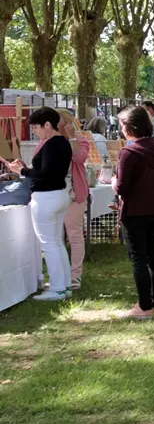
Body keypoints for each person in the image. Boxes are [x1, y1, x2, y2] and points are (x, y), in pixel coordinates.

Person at [7, 108, 73, 300]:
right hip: (58, 195)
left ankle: (58, 288)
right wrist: (25, 170)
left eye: (36, 127)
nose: (34, 131)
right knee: (56, 242)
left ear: (47, 125)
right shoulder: (62, 142)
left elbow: (45, 173)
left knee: (49, 243)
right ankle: (64, 285)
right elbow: (48, 171)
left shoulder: (52, 144)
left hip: (46, 197)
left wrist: (22, 171)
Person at [113, 106, 154, 319]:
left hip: (136, 210)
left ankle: (144, 306)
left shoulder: (129, 153)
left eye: (122, 125)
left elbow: (122, 187)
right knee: (153, 255)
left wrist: (112, 182)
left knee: (139, 258)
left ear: (131, 127)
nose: (121, 130)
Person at [56, 109, 90, 290]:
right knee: (57, 236)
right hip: (55, 194)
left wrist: (71, 138)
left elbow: (78, 157)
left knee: (74, 234)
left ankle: (75, 275)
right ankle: (59, 274)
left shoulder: (81, 140)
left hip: (74, 194)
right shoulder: (50, 141)